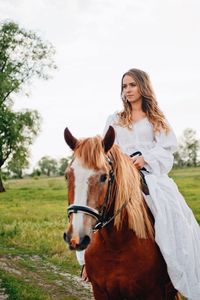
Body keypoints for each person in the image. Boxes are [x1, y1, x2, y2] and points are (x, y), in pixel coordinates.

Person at [77, 68, 200, 299]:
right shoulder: (114, 119)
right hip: (120, 177)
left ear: (143, 86)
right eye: (124, 86)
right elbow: (106, 148)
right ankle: (87, 262)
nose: (127, 90)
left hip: (149, 176)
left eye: (132, 85)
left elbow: (167, 151)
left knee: (174, 215)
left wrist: (146, 158)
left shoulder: (156, 119)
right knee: (95, 206)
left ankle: (175, 269)